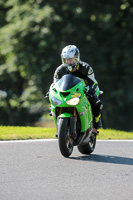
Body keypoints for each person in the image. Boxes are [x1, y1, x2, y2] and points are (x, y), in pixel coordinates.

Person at [53, 45, 103, 129]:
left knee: (95, 100)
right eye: (66, 60)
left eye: (71, 59)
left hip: (84, 91)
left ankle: (97, 119)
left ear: (77, 58)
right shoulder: (59, 70)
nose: (69, 62)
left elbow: (94, 83)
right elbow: (55, 84)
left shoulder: (86, 67)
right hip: (69, 93)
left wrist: (91, 90)